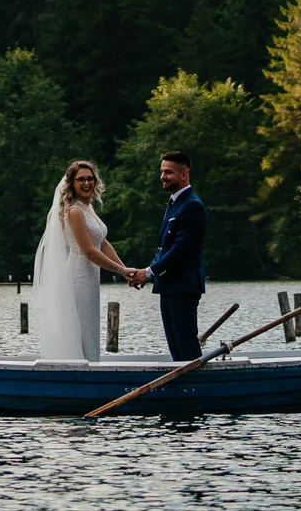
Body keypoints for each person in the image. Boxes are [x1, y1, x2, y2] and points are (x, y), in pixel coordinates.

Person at [29, 159, 138, 360]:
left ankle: (91, 364)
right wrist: (122, 271)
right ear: (72, 184)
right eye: (81, 180)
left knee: (90, 327)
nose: (87, 183)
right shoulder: (75, 211)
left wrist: (127, 272)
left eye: (90, 179)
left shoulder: (88, 208)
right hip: (78, 275)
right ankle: (84, 367)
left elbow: (103, 244)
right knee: (83, 328)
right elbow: (89, 251)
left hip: (90, 275)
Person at [126, 150, 208, 359]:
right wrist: (146, 271)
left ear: (184, 174)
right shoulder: (174, 203)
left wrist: (150, 273)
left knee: (186, 349)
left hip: (183, 287)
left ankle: (195, 389)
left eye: (168, 172)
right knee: (176, 350)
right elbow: (164, 248)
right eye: (162, 172)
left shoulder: (192, 205)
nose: (163, 176)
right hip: (169, 286)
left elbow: (181, 250)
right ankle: (183, 389)